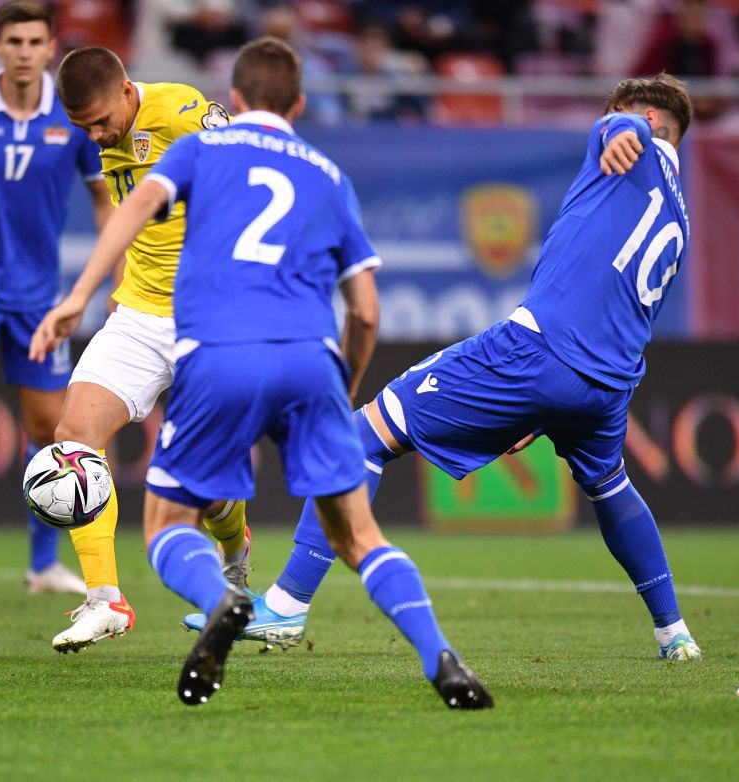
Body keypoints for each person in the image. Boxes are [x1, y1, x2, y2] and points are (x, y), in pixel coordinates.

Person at [52, 36, 492, 708]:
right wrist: (342, 388)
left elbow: (137, 207)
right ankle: (444, 659)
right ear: (301, 103)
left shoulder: (200, 136)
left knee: (169, 522)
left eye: (100, 120)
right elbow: (367, 311)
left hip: (212, 334)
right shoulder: (327, 173)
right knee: (358, 535)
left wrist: (76, 294)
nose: (97, 134)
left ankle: (223, 592)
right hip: (296, 348)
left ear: (232, 101)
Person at [231, 72, 702, 663]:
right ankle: (674, 632)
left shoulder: (624, 146)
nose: (607, 126)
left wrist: (623, 127)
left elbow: (623, 125)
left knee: (362, 435)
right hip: (606, 385)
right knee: (611, 488)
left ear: (653, 124)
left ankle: (287, 604)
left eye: (623, 117)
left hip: (537, 351)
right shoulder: (680, 216)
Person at [28, 46, 251, 653]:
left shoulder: (182, 112)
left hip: (208, 321)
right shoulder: (104, 133)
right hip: (140, 314)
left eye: (102, 122)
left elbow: (247, 184)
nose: (97, 135)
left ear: (128, 90)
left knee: (204, 489)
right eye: (85, 129)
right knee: (72, 440)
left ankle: (235, 560)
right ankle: (106, 600)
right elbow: (133, 214)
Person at [0, 0, 107, 607]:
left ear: (50, 46)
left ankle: (42, 565)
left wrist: (112, 275)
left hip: (39, 299)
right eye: (15, 41)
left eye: (36, 41)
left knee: (48, 429)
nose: (26, 52)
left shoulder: (74, 114)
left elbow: (106, 199)